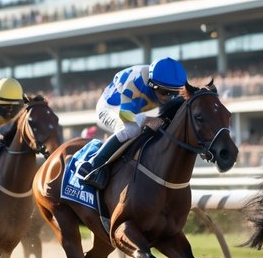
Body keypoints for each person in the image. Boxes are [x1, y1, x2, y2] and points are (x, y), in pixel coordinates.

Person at [78, 57, 187, 189]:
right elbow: (124, 115)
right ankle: (92, 165)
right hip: (112, 107)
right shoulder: (135, 82)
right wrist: (147, 120)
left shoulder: (174, 82)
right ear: (152, 85)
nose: (169, 97)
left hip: (138, 108)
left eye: (174, 93)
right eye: (165, 92)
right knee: (132, 129)